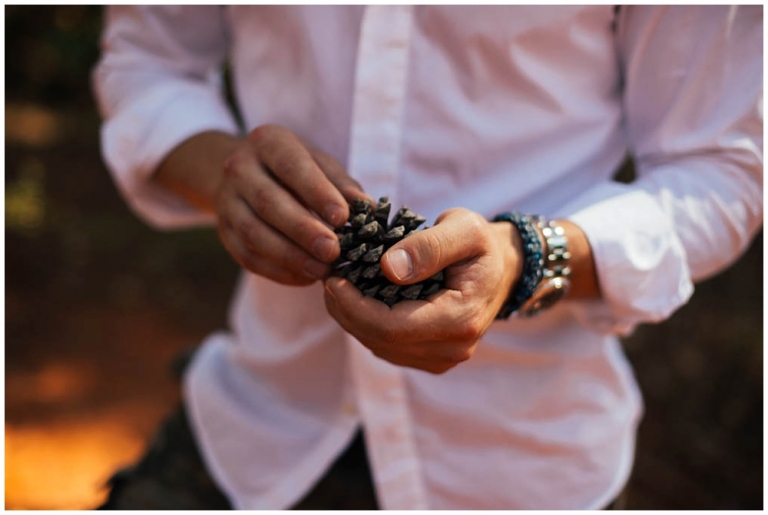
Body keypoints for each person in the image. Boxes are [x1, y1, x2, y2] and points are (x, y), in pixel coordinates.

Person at [92, 5, 763, 510]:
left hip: (529, 458)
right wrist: (224, 174)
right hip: (258, 425)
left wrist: (526, 258)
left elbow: (718, 169)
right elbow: (147, 61)